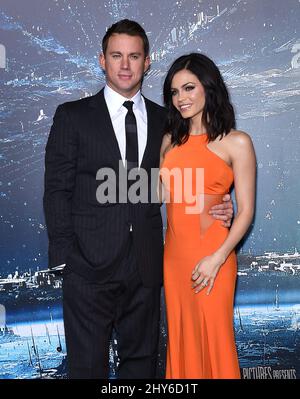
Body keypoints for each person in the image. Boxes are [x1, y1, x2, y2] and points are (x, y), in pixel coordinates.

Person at [43, 20, 233, 379]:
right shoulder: (73, 117)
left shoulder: (169, 121)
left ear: (148, 62)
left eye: (134, 56)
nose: (125, 65)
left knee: (141, 367)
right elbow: (56, 189)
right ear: (102, 60)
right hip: (87, 268)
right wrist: (65, 260)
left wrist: (219, 202)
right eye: (117, 55)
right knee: (86, 370)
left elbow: (188, 176)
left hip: (146, 266)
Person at [160, 53, 256, 379]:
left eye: (188, 88)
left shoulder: (237, 142)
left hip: (215, 256)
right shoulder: (169, 142)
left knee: (216, 340)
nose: (181, 98)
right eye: (174, 92)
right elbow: (160, 195)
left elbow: (246, 212)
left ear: (208, 88)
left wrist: (217, 258)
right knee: (181, 340)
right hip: (174, 260)